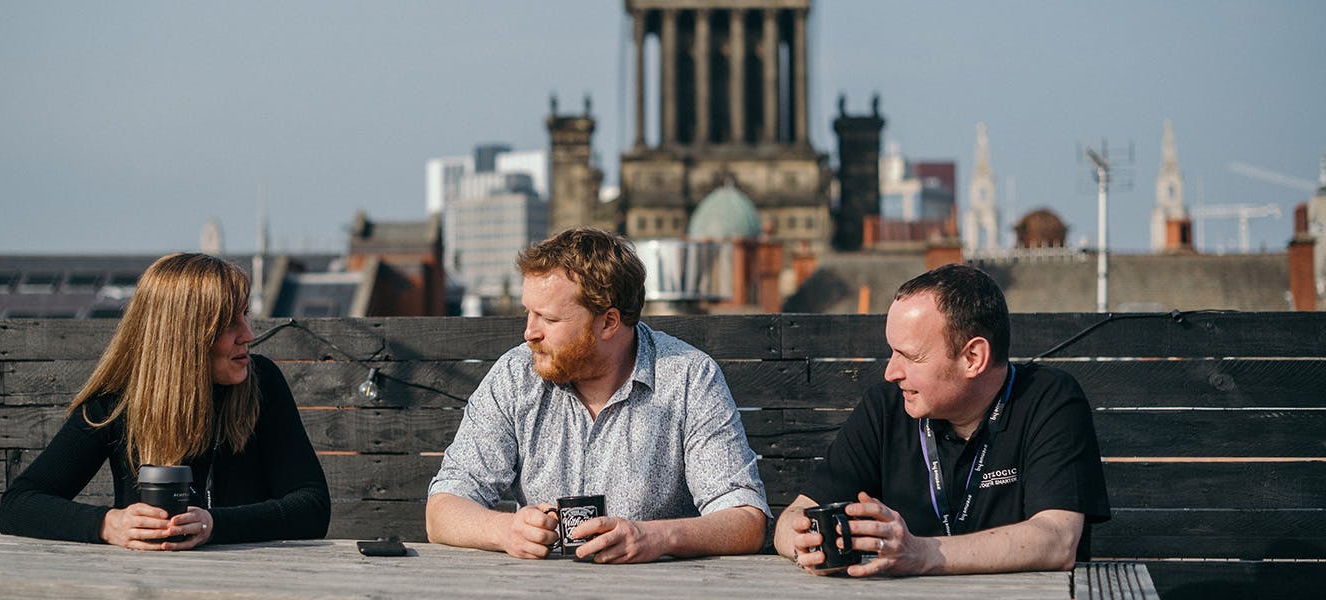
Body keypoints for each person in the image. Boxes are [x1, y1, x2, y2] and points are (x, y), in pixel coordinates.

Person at [425, 227, 769, 563]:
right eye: (528, 312)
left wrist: (656, 537)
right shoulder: (515, 375)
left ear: (608, 323)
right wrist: (506, 530)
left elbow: (745, 521)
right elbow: (443, 508)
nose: (529, 332)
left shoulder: (689, 378)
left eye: (547, 318)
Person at [774, 264, 1109, 576]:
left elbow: (1058, 541)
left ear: (973, 358)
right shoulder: (886, 406)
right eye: (892, 352)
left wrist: (922, 553)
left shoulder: (1049, 398)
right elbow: (791, 518)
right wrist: (804, 543)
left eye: (910, 356)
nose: (891, 372)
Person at [0, 253, 330, 550]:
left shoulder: (263, 383)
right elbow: (19, 503)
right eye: (230, 323)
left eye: (244, 315)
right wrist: (108, 525)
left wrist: (215, 525)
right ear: (185, 335)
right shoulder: (117, 401)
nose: (247, 334)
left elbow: (313, 506)